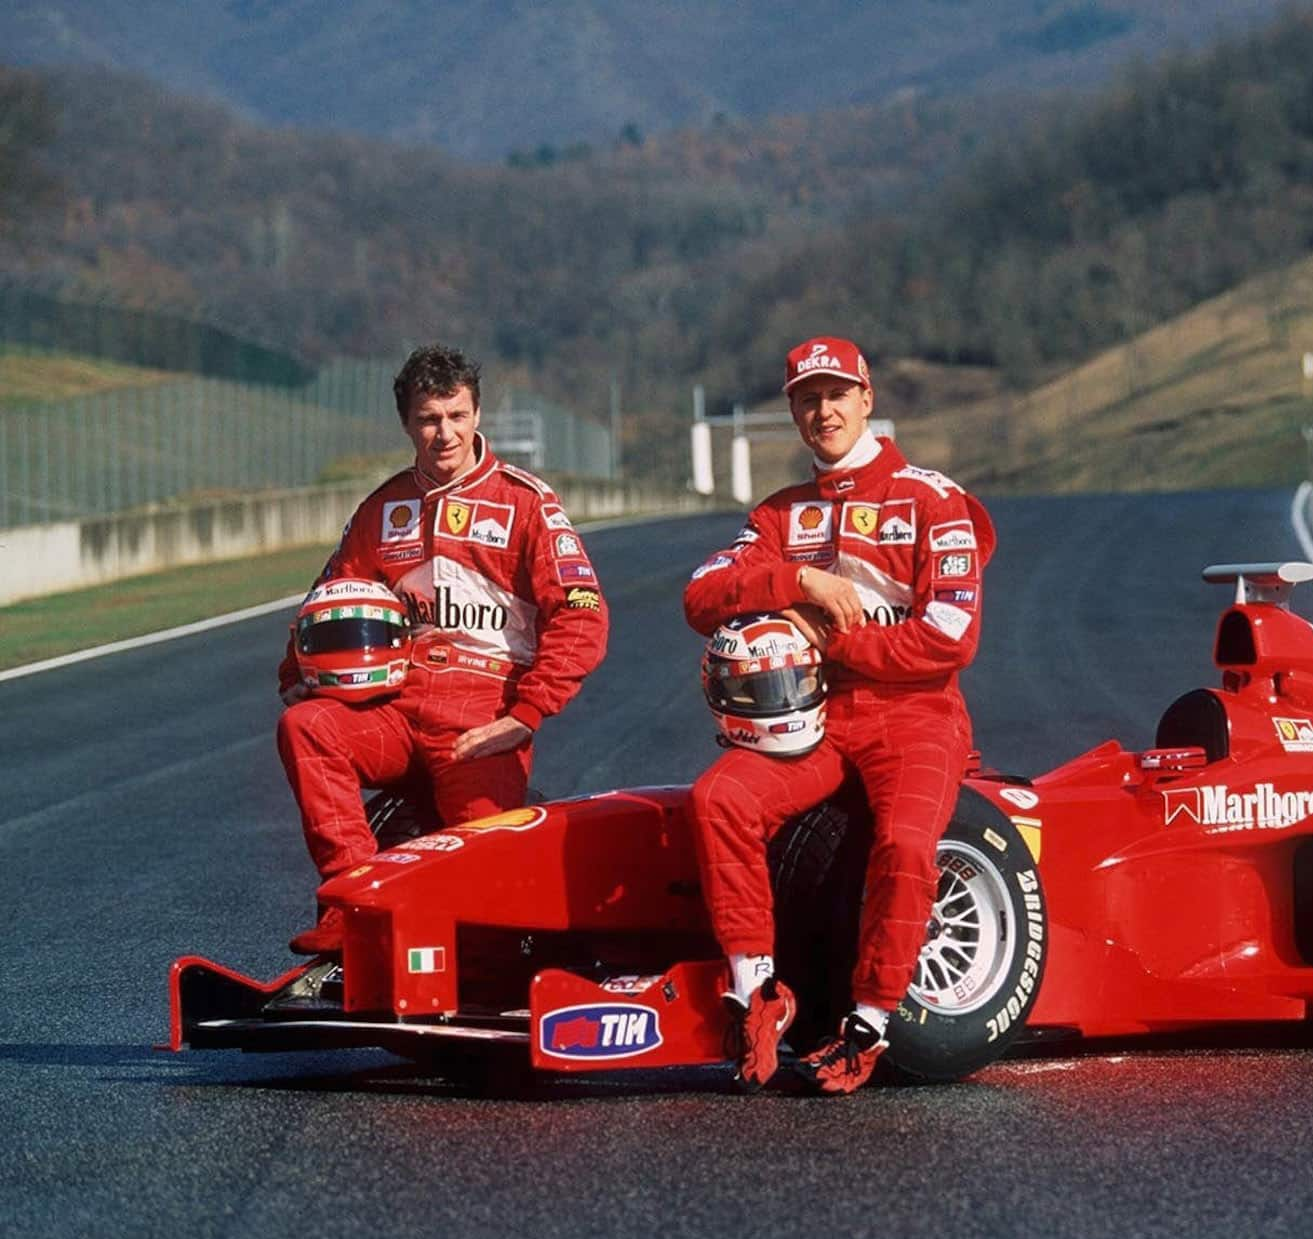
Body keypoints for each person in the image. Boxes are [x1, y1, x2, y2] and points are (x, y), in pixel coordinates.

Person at [684, 335, 994, 1095]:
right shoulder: (779, 515)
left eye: (836, 395)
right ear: (793, 411)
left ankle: (871, 1021)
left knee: (907, 842)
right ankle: (759, 995)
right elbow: (699, 596)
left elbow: (952, 638)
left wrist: (840, 645)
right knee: (718, 798)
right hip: (810, 722)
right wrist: (800, 582)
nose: (824, 411)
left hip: (917, 717)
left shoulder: (933, 498)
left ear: (867, 399)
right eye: (807, 399)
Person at [277, 345, 610, 953]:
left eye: (457, 416)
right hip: (394, 706)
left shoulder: (526, 501)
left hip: (482, 717)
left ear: (477, 413)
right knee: (306, 724)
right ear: (407, 423)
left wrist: (526, 716)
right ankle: (351, 908)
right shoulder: (383, 507)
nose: (445, 433)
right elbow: (329, 597)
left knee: (486, 903)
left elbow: (582, 615)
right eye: (429, 419)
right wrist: (295, 673)